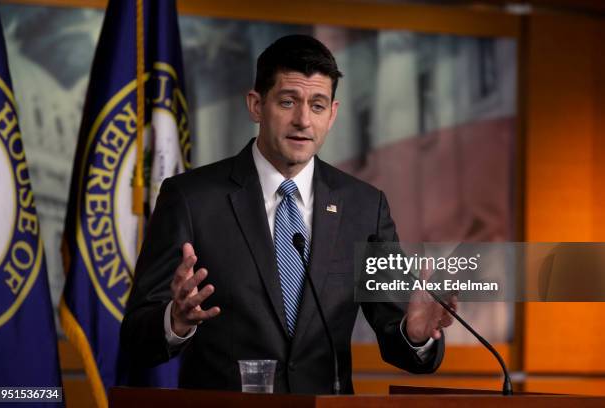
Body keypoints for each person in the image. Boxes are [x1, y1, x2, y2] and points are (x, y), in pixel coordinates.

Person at [120, 34, 455, 394]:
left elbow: (397, 336)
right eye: (287, 101)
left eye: (317, 105)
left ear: (333, 114)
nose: (303, 121)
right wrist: (176, 320)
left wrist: (415, 334)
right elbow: (136, 339)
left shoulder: (364, 207)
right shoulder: (191, 198)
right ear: (256, 105)